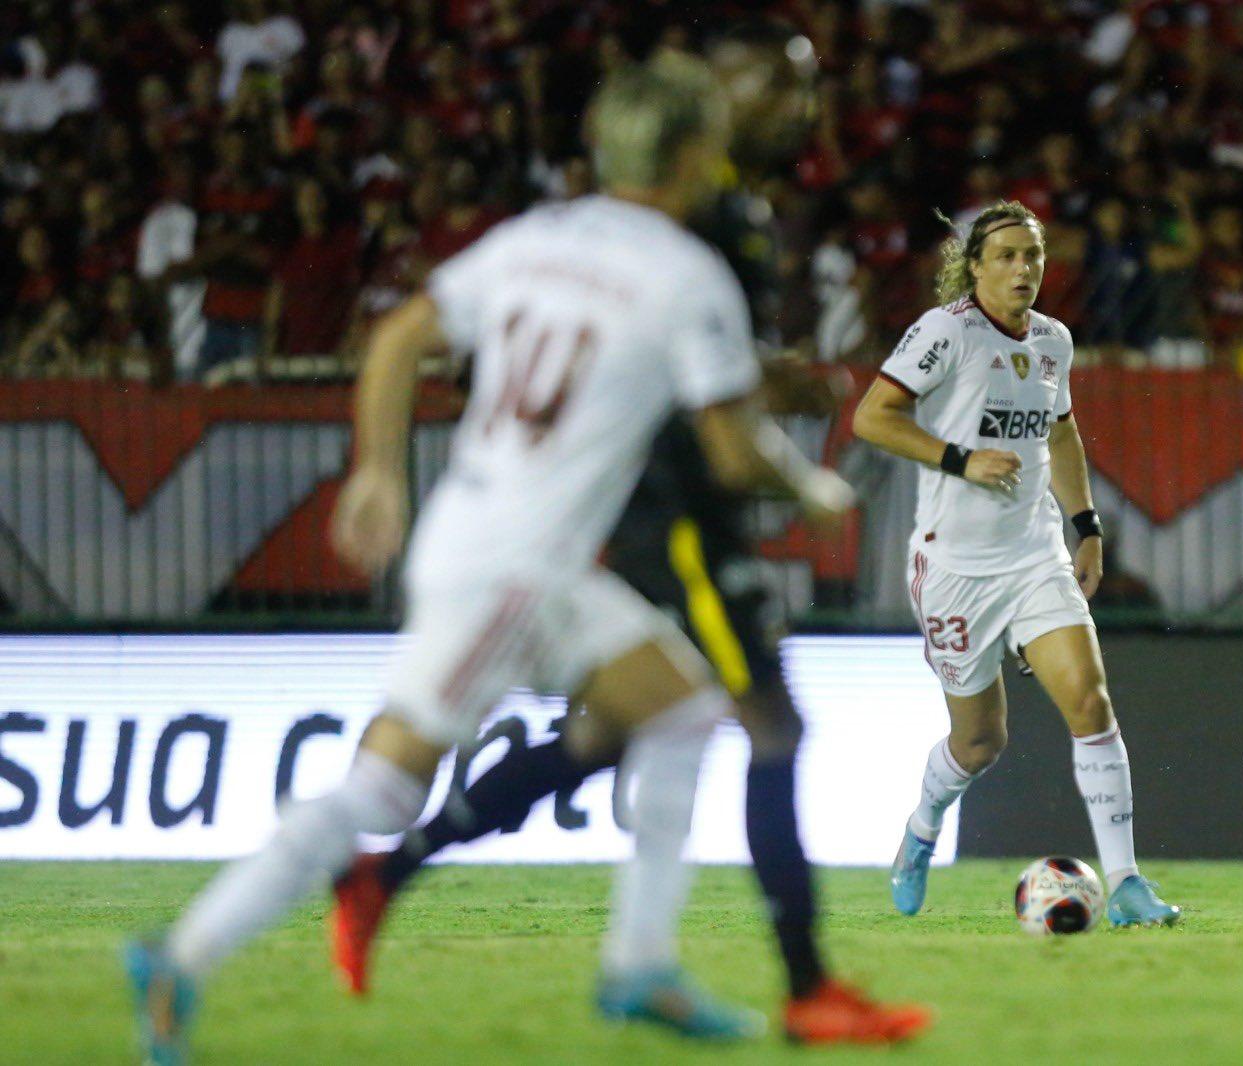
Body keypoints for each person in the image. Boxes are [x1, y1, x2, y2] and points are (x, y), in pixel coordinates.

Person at [125, 53, 857, 1064]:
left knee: (684, 708)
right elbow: (733, 453)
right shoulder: (690, 275)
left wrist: (378, 471)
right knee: (383, 789)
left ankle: (638, 964)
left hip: (503, 546)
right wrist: (814, 489)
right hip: (519, 570)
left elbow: (394, 340)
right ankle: (184, 952)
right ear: (695, 153)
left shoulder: (533, 238)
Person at [328, 23, 932, 1047]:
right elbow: (687, 380)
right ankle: (806, 986)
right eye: (781, 79)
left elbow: (694, 349)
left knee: (608, 732)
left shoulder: (722, 208)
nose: (802, 101)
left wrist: (767, 373)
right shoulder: (707, 215)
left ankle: (390, 869)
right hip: (681, 510)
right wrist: (793, 474)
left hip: (671, 494)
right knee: (774, 726)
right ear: (722, 85)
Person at [851, 200, 1181, 927]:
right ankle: (920, 833)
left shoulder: (1054, 343)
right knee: (979, 742)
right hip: (955, 568)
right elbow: (872, 416)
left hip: (1034, 556)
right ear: (974, 266)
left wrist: (1085, 526)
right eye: (1004, 255)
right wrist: (958, 460)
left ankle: (1125, 884)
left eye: (1031, 255)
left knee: (1090, 703)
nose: (1022, 268)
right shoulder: (946, 333)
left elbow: (1061, 436)